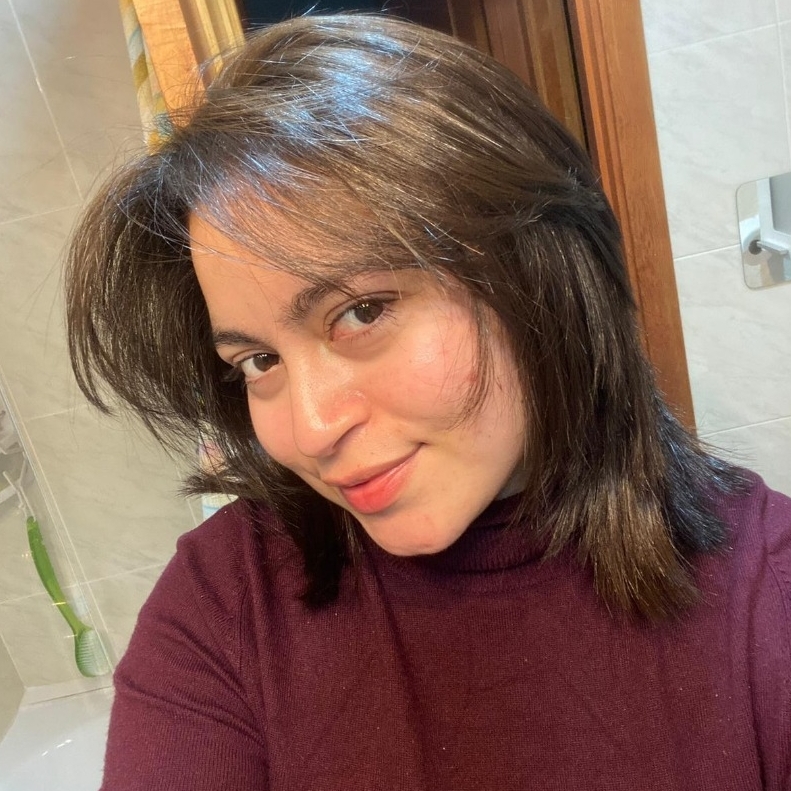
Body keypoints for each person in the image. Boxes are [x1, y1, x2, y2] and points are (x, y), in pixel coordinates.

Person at [65, 13, 790, 791]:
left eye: (361, 312)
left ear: (536, 273)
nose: (311, 428)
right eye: (259, 361)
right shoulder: (227, 603)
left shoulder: (767, 595)